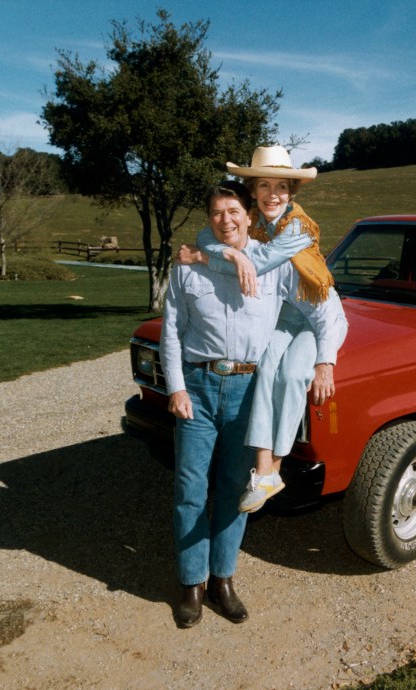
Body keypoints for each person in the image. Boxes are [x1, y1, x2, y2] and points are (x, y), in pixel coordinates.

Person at [161, 180, 343, 628]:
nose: (226, 220)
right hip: (199, 391)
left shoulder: (276, 266)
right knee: (189, 490)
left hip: (247, 393)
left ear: (249, 216)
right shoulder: (187, 266)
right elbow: (171, 330)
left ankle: (223, 580)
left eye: (234, 211)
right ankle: (191, 585)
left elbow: (324, 312)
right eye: (218, 213)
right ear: (210, 220)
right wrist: (176, 388)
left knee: (234, 492)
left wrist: (324, 361)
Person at [178, 145, 347, 514]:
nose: (274, 195)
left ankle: (278, 467)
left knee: (288, 375)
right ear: (252, 191)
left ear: (292, 192)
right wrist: (232, 253)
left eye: (282, 187)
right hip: (285, 314)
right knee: (264, 369)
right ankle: (263, 469)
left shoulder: (299, 226)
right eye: (265, 186)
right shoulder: (251, 219)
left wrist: (325, 362)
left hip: (319, 315)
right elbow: (208, 233)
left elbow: (260, 260)